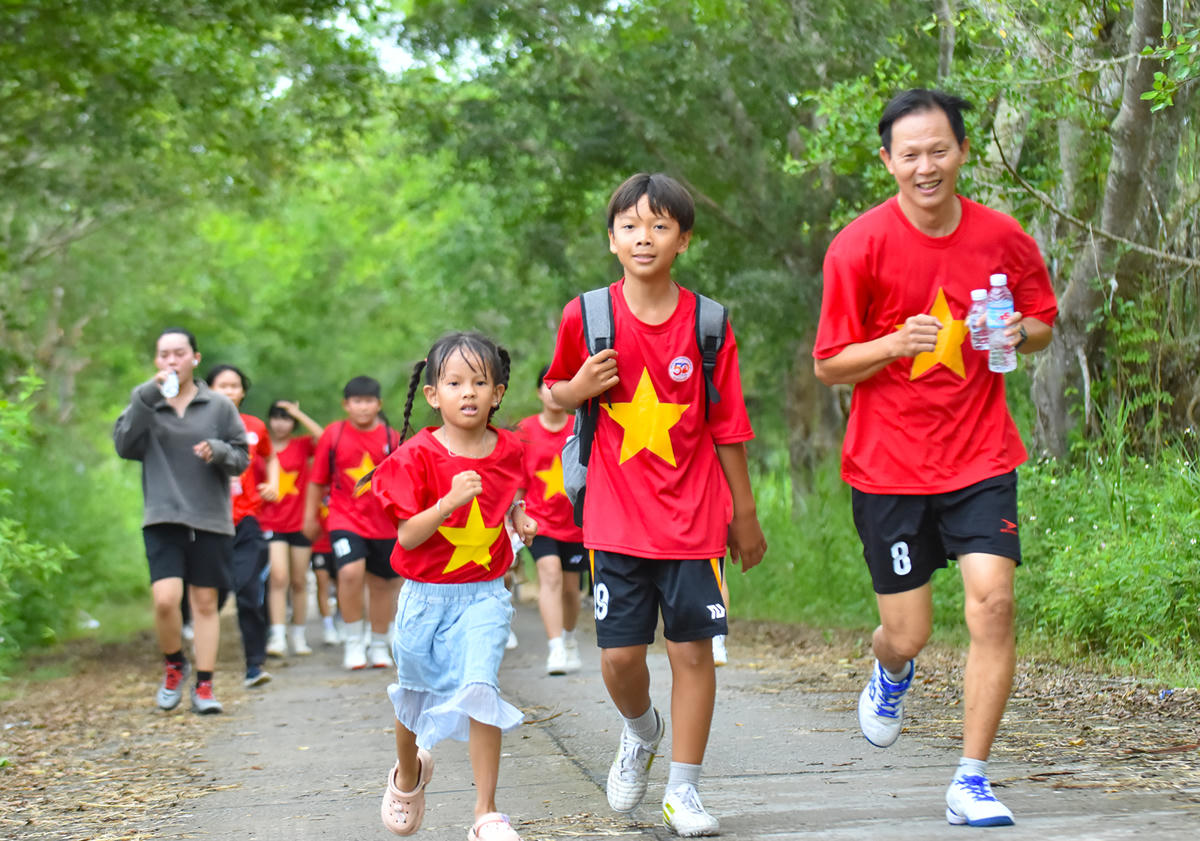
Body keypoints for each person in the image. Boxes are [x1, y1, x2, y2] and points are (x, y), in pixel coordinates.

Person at [812, 88, 1058, 828]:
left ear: (963, 152)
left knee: (994, 603)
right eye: (910, 154)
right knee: (910, 630)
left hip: (981, 454)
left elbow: (1043, 320)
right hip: (887, 467)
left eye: (939, 150)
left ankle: (971, 777)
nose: (926, 165)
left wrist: (1022, 332)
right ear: (888, 161)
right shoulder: (857, 246)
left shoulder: (1002, 236)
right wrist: (892, 344)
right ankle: (891, 669)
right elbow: (829, 364)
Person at [546, 172, 767, 837]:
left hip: (695, 515)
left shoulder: (707, 323)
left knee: (693, 652)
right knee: (618, 657)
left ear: (684, 239)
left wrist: (745, 513)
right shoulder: (587, 315)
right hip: (613, 514)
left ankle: (683, 790)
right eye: (631, 225)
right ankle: (640, 730)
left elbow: (728, 425)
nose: (645, 237)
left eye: (660, 225)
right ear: (611, 238)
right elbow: (553, 393)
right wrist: (576, 385)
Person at [368, 331, 535, 841]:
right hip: (424, 596)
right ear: (433, 395)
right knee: (414, 696)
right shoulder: (416, 456)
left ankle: (486, 814)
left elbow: (510, 491)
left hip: (483, 593)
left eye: (480, 382)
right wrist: (446, 505)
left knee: (481, 687)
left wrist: (520, 514)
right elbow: (408, 536)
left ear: (498, 393)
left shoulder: (509, 448)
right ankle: (409, 773)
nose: (469, 392)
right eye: (455, 382)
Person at [113, 328, 249, 715]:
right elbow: (125, 445)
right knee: (165, 600)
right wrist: (147, 395)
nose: (171, 361)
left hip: (209, 517)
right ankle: (175, 664)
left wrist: (218, 450)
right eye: (164, 355)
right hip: (163, 515)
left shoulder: (219, 406)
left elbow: (242, 456)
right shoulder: (145, 402)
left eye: (179, 353)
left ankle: (204, 686)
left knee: (206, 603)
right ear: (157, 361)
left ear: (195, 358)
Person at [304, 376, 402, 670]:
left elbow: (402, 482)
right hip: (344, 517)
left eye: (369, 401)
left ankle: (378, 642)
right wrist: (309, 517)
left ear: (379, 404)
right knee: (349, 572)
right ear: (346, 405)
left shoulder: (391, 438)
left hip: (383, 523)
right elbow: (317, 480)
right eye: (357, 401)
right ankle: (353, 642)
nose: (363, 407)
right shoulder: (333, 435)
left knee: (382, 584)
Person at [208, 364, 279, 690]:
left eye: (235, 385)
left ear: (243, 392)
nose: (229, 391)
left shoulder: (255, 427)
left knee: (249, 590)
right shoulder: (199, 425)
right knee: (213, 593)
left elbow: (271, 456)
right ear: (209, 390)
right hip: (208, 519)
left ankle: (254, 664)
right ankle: (197, 653)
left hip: (247, 518)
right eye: (222, 385)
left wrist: (273, 482)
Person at [517, 365, 586, 676]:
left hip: (576, 521)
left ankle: (569, 639)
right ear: (539, 392)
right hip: (538, 520)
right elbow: (516, 479)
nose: (554, 393)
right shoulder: (525, 431)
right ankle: (555, 646)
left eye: (564, 385)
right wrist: (514, 515)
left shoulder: (580, 425)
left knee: (571, 588)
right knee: (550, 574)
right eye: (548, 385)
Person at [260, 400, 325, 656]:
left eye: (285, 418)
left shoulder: (301, 445)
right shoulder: (262, 448)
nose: (280, 423)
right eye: (275, 418)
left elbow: (324, 438)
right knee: (278, 577)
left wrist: (299, 412)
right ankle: (277, 636)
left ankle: (298, 634)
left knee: (299, 581)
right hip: (270, 521)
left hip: (300, 522)